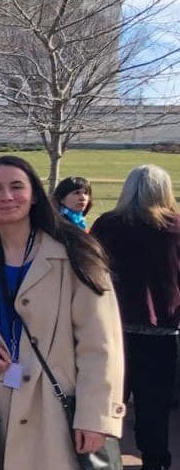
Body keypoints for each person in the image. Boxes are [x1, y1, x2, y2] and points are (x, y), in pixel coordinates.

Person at [0, 155, 124, 470]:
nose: (6, 197)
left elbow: (101, 343)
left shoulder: (76, 254)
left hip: (58, 407)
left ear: (35, 194)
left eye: (16, 187)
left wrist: (95, 417)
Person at [91, 164, 180, 470]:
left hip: (112, 329)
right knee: (153, 407)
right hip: (162, 334)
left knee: (106, 404)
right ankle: (155, 462)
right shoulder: (176, 227)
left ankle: (102, 462)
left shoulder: (107, 225)